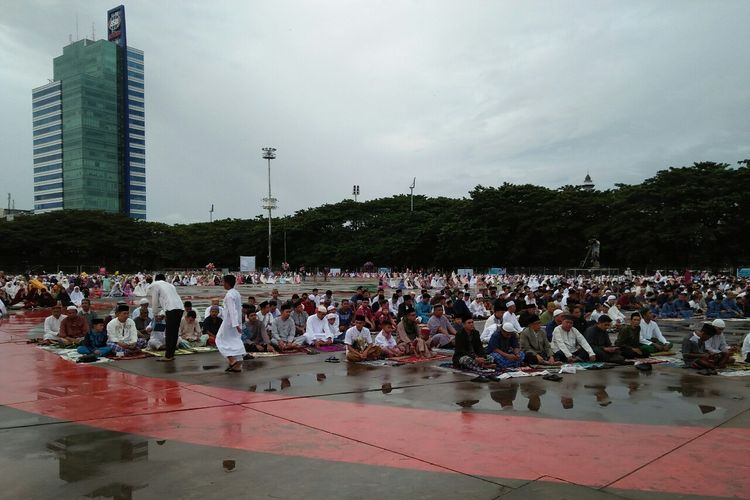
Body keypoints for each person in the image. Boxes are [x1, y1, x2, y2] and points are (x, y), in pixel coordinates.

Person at [215, 275, 247, 372]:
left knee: (220, 340)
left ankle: (232, 360)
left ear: (227, 283)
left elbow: (232, 311)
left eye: (223, 282)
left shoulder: (229, 295)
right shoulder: (236, 293)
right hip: (235, 322)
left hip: (230, 323)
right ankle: (237, 364)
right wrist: (237, 323)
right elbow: (237, 309)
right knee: (234, 341)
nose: (222, 284)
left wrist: (235, 324)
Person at [150, 274, 184, 362]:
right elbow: (168, 299)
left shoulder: (155, 285)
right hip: (180, 308)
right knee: (174, 332)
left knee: (169, 333)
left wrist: (155, 313)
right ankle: (171, 354)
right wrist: (164, 313)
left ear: (155, 279)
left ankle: (168, 356)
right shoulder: (170, 285)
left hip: (171, 309)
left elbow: (155, 301)